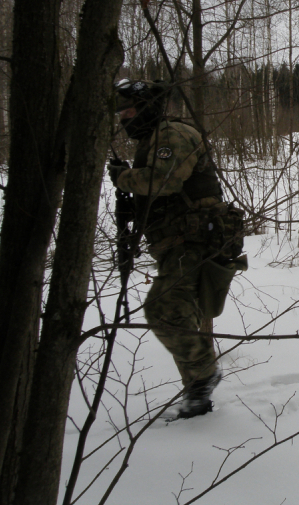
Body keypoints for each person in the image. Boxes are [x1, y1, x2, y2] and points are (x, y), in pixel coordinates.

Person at [108, 79, 245, 418]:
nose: (124, 119)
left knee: (164, 310)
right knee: (184, 315)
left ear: (146, 108)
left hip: (194, 242)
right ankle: (196, 397)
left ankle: (203, 375)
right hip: (179, 243)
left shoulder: (172, 135)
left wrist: (123, 178)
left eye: (128, 111)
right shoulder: (155, 139)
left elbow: (164, 181)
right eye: (120, 113)